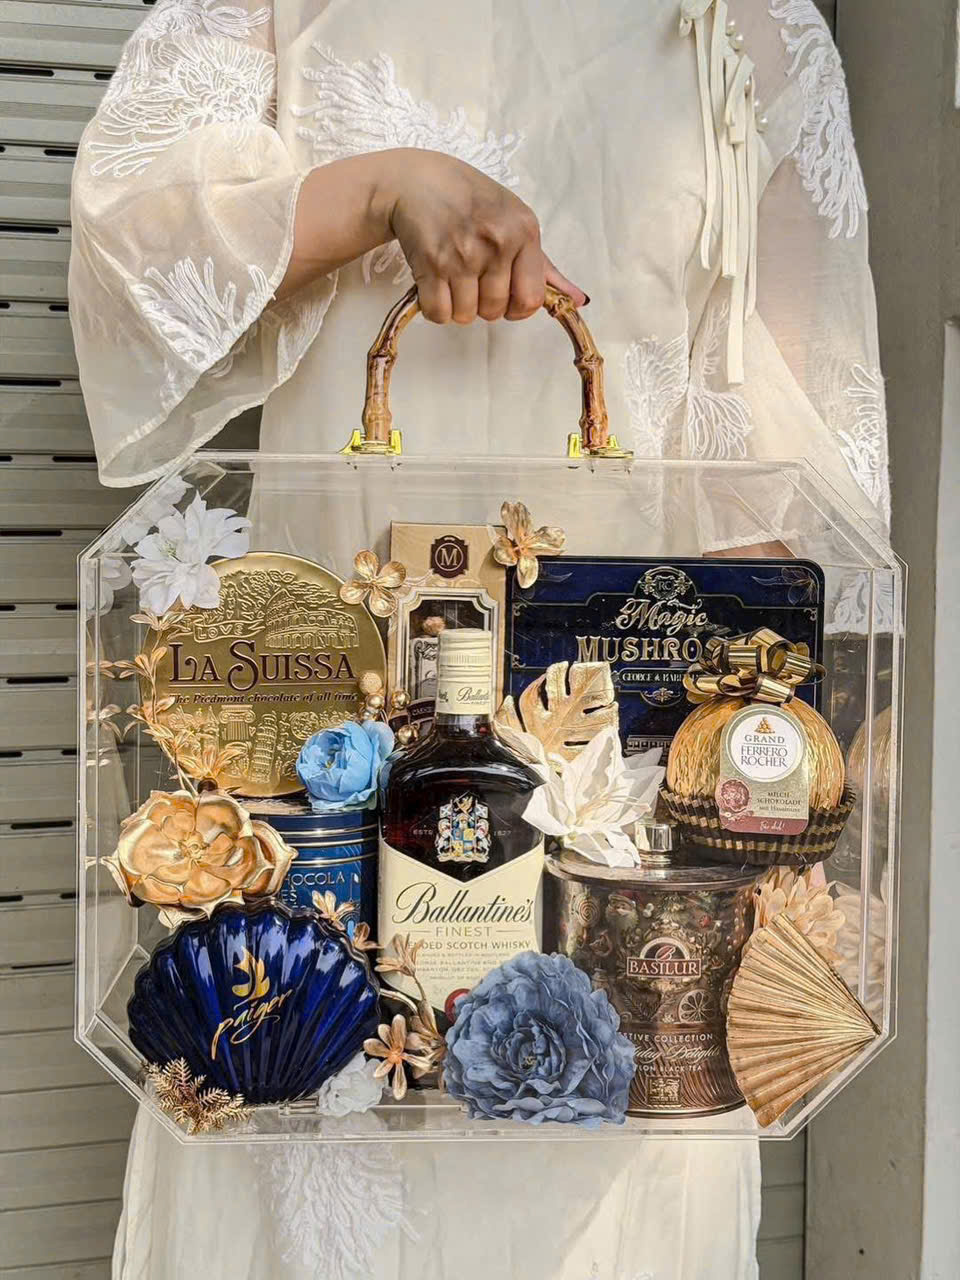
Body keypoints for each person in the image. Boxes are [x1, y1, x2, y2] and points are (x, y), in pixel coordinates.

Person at [69, 2, 890, 1277]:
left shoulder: (752, 24)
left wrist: (762, 861)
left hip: (622, 849)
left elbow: (793, 504)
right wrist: (377, 192)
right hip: (320, 817)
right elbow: (135, 245)